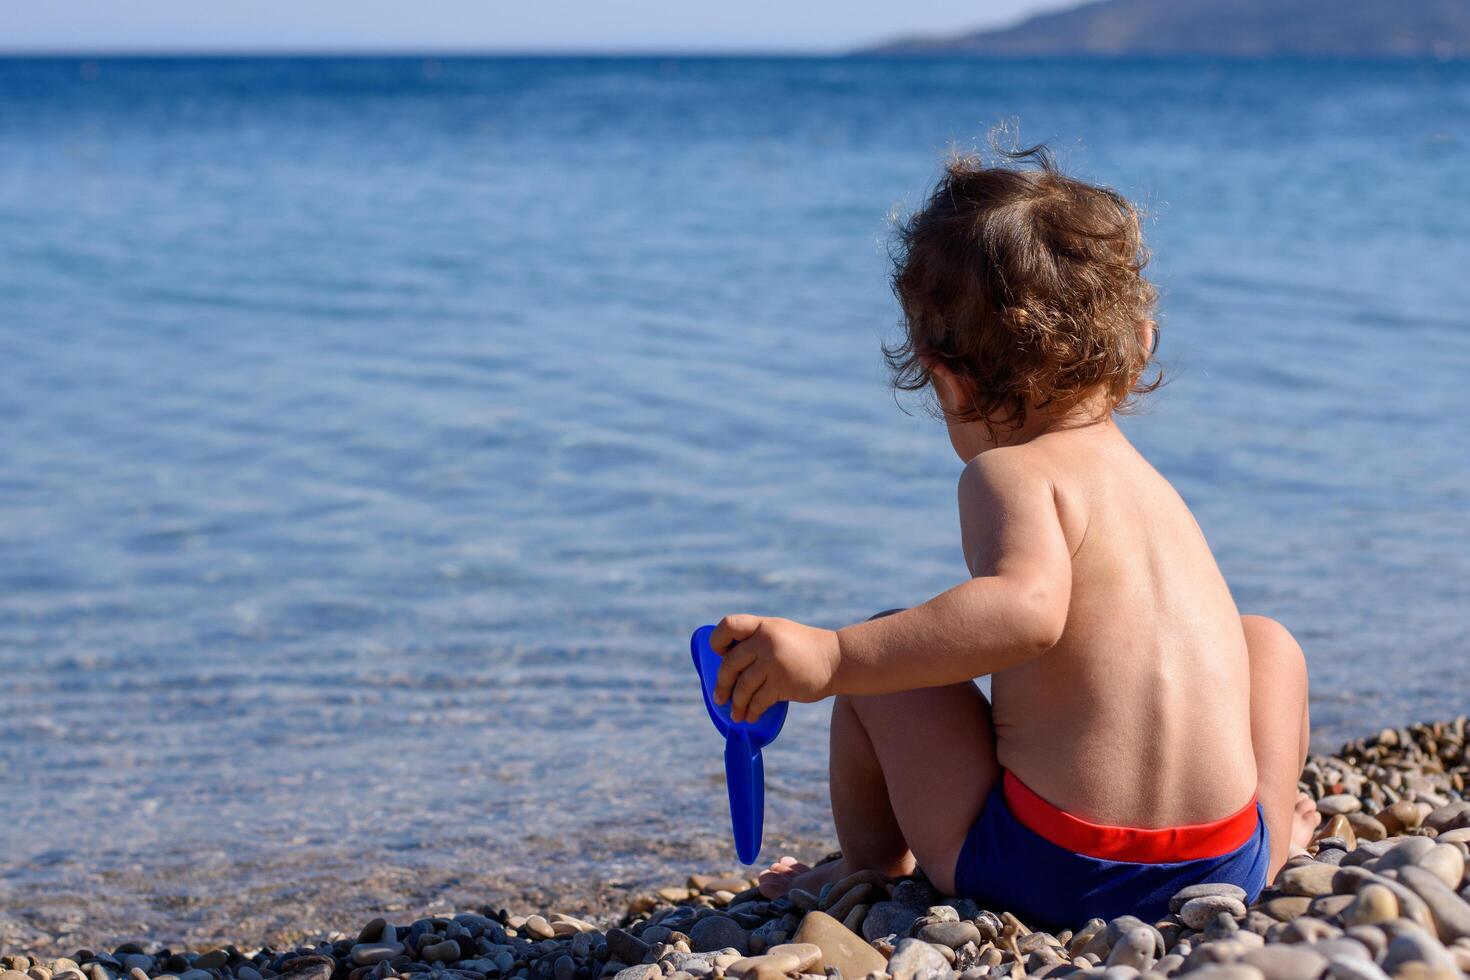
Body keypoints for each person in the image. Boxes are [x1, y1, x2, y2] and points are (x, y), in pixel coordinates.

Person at [707, 146, 1316, 927]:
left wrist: (831, 659)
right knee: (1268, 643)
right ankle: (1270, 840)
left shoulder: (1012, 475)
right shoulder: (1152, 489)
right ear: (1141, 344)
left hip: (1059, 869)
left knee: (882, 664)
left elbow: (1028, 613)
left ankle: (863, 873)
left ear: (947, 379)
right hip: (1217, 858)